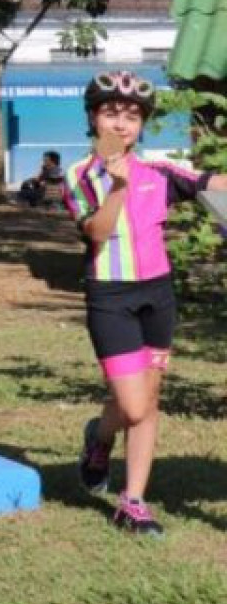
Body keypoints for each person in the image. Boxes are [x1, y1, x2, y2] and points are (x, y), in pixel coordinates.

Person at [66, 71, 226, 535]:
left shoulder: (158, 172)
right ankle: (99, 437)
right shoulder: (79, 175)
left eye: (132, 116)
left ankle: (133, 501)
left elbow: (212, 181)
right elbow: (96, 232)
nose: (121, 124)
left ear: (142, 125)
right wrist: (116, 186)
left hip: (157, 294)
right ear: (93, 118)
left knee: (148, 399)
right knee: (132, 406)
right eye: (111, 113)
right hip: (111, 296)